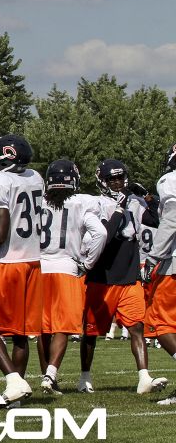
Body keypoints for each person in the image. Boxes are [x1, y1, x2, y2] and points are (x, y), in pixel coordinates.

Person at [80, 159, 166, 394]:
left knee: (136, 327)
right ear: (102, 181)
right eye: (112, 179)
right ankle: (84, 376)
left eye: (120, 177)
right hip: (102, 274)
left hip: (129, 273)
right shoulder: (96, 203)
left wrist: (149, 198)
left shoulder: (134, 202)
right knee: (91, 331)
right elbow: (104, 237)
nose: (117, 182)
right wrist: (119, 207)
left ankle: (143, 377)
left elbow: (159, 220)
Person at [0, 134, 43, 405]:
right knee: (20, 332)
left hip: (7, 262)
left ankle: (13, 380)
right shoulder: (35, 177)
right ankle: (17, 395)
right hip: (32, 261)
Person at [37, 159, 106, 395]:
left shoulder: (37, 200)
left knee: (43, 329)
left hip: (40, 268)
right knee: (62, 327)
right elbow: (100, 232)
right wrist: (87, 264)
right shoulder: (82, 202)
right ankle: (51, 374)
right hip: (67, 268)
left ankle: (46, 375)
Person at [145, 144, 176, 405]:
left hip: (174, 264)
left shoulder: (170, 180)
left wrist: (153, 257)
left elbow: (173, 218)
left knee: (159, 323)